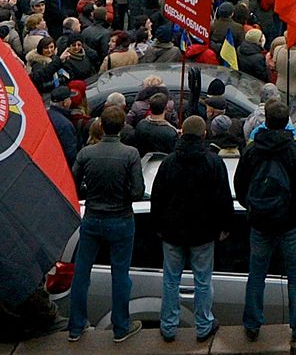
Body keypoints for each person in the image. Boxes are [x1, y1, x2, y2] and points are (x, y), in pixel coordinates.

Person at [234, 101, 296, 342]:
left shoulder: (252, 150)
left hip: (261, 222)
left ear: (266, 122)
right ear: (287, 123)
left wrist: (253, 207)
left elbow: (240, 185)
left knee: (257, 273)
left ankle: (252, 323)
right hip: (291, 223)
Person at [150, 115, 233, 343]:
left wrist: (158, 225)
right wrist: (226, 226)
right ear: (204, 134)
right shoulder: (214, 163)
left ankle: (168, 326)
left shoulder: (169, 162)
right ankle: (204, 324)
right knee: (203, 281)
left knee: (170, 280)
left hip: (172, 232)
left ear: (181, 133)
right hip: (203, 233)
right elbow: (223, 198)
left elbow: (157, 197)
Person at [68, 106, 144, 343]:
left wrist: (89, 192)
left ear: (101, 126)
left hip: (92, 218)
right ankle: (121, 327)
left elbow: (74, 183)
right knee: (120, 274)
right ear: (122, 127)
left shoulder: (86, 153)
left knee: (81, 272)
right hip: (121, 219)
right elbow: (138, 192)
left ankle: (76, 326)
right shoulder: (130, 154)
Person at [47, 86, 78, 167]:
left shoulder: (47, 115)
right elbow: (71, 153)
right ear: (65, 103)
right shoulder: (65, 125)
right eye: (70, 99)